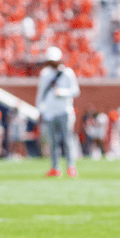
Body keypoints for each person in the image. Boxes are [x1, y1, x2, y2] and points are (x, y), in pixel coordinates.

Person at [36, 47, 80, 177]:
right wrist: (40, 110)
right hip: (50, 112)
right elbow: (41, 93)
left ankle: (71, 167)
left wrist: (62, 93)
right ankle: (55, 167)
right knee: (53, 142)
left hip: (64, 111)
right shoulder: (45, 74)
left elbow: (75, 91)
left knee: (67, 140)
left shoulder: (67, 73)